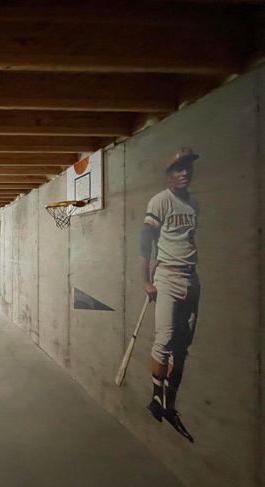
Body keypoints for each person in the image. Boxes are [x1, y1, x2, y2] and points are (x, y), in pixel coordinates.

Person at [140, 147, 200, 442]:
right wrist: (146, 280)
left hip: (191, 277)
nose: (184, 172)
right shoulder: (160, 201)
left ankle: (169, 403)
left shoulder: (193, 204)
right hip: (166, 276)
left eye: (188, 167)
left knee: (182, 346)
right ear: (168, 176)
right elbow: (145, 242)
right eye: (178, 168)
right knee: (164, 340)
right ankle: (156, 398)